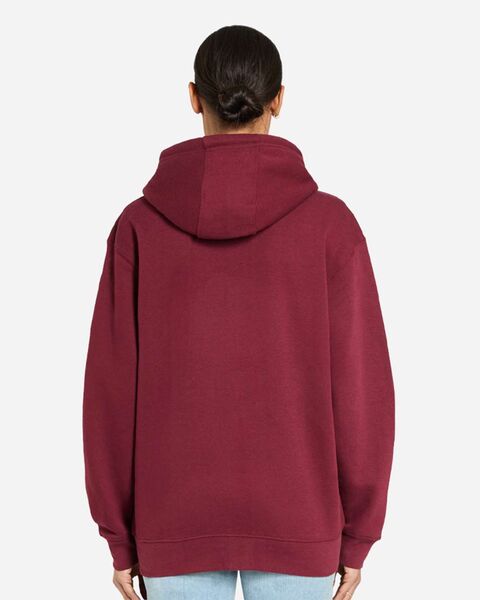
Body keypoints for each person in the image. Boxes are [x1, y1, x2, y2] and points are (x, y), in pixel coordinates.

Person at [82, 24, 395, 600]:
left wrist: (119, 537)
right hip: (301, 523)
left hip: (172, 524)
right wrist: (358, 536)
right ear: (279, 99)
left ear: (193, 97)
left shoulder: (139, 227)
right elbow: (362, 393)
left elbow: (109, 394)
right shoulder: (331, 227)